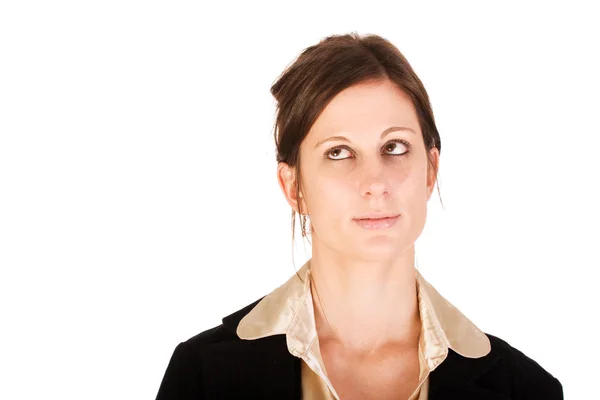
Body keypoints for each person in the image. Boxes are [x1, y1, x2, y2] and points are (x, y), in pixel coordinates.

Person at [155, 32, 563, 399]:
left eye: (395, 147)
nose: (375, 182)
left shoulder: (526, 391)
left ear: (431, 171)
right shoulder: (202, 379)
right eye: (338, 152)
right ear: (294, 187)